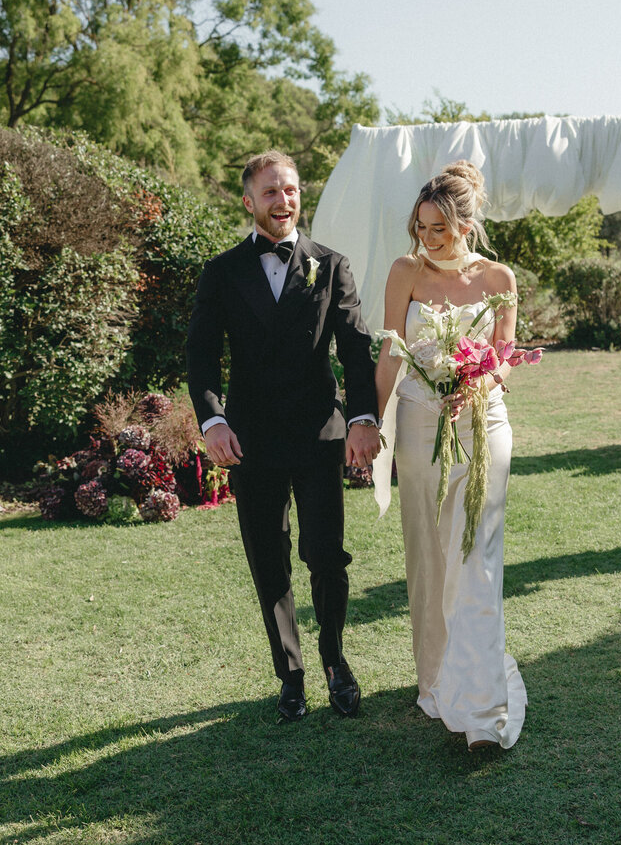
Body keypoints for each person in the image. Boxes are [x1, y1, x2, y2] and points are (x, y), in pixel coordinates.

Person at [187, 151, 381, 722]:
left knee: (327, 557)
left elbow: (355, 347)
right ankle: (289, 673)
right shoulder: (223, 271)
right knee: (268, 561)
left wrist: (362, 418)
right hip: (252, 440)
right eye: (270, 192)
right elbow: (200, 353)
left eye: (291, 190)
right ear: (249, 202)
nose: (283, 200)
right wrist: (213, 419)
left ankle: (334, 662)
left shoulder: (331, 263)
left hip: (320, 434)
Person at [374, 161, 527, 750]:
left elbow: (506, 356)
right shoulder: (404, 271)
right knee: (430, 553)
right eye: (421, 226)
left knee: (478, 556)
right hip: (415, 424)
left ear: (467, 224)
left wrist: (480, 378)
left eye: (439, 228)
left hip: (483, 424)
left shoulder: (499, 277)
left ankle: (484, 706)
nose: (427, 239)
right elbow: (391, 351)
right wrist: (371, 425)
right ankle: (438, 678)